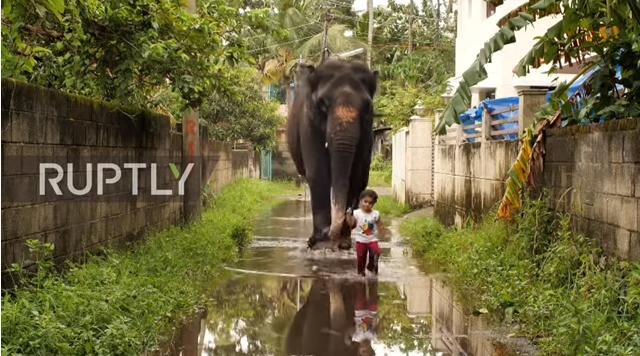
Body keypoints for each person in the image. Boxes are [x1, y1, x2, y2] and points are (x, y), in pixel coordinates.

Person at [346, 189, 386, 277]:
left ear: (373, 204)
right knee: (361, 258)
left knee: (376, 252)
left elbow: (380, 225)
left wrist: (383, 233)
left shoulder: (375, 214)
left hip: (372, 239)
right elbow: (351, 224)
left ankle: (370, 266)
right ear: (360, 201)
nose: (367, 204)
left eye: (370, 203)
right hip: (360, 241)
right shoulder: (356, 213)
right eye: (365, 201)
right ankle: (361, 273)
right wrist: (348, 215)